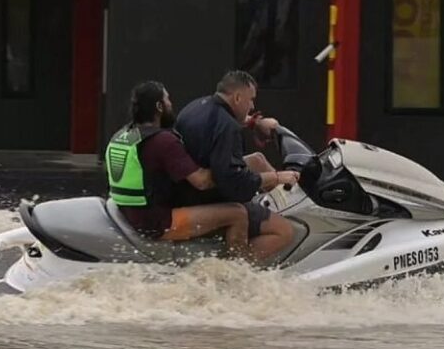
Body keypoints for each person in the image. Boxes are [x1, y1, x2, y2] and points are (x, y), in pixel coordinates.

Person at [105, 81, 249, 252]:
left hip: (129, 213)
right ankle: (239, 271)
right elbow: (202, 181)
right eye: (167, 99)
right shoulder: (163, 141)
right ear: (159, 106)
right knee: (238, 214)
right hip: (156, 223)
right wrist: (234, 174)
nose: (171, 104)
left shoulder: (124, 134)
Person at [174, 70, 300, 262]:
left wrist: (255, 122)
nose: (252, 105)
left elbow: (216, 127)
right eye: (251, 100)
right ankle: (238, 271)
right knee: (284, 231)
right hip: (204, 200)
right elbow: (234, 185)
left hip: (184, 187)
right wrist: (277, 177)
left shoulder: (196, 106)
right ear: (238, 97)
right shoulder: (228, 128)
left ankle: (287, 201)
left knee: (257, 159)